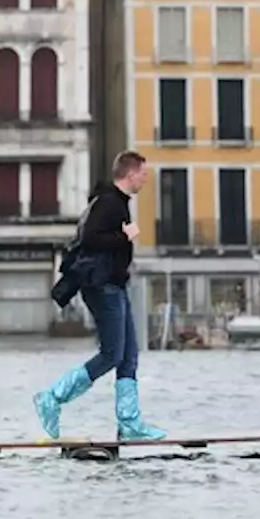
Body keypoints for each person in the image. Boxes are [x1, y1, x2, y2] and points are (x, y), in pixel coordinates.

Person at [32, 151, 166, 442]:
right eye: (143, 173)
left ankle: (129, 423)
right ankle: (52, 398)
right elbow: (92, 238)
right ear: (130, 174)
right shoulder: (109, 203)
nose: (145, 178)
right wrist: (125, 236)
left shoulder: (116, 202)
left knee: (129, 354)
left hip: (115, 285)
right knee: (112, 355)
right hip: (102, 286)